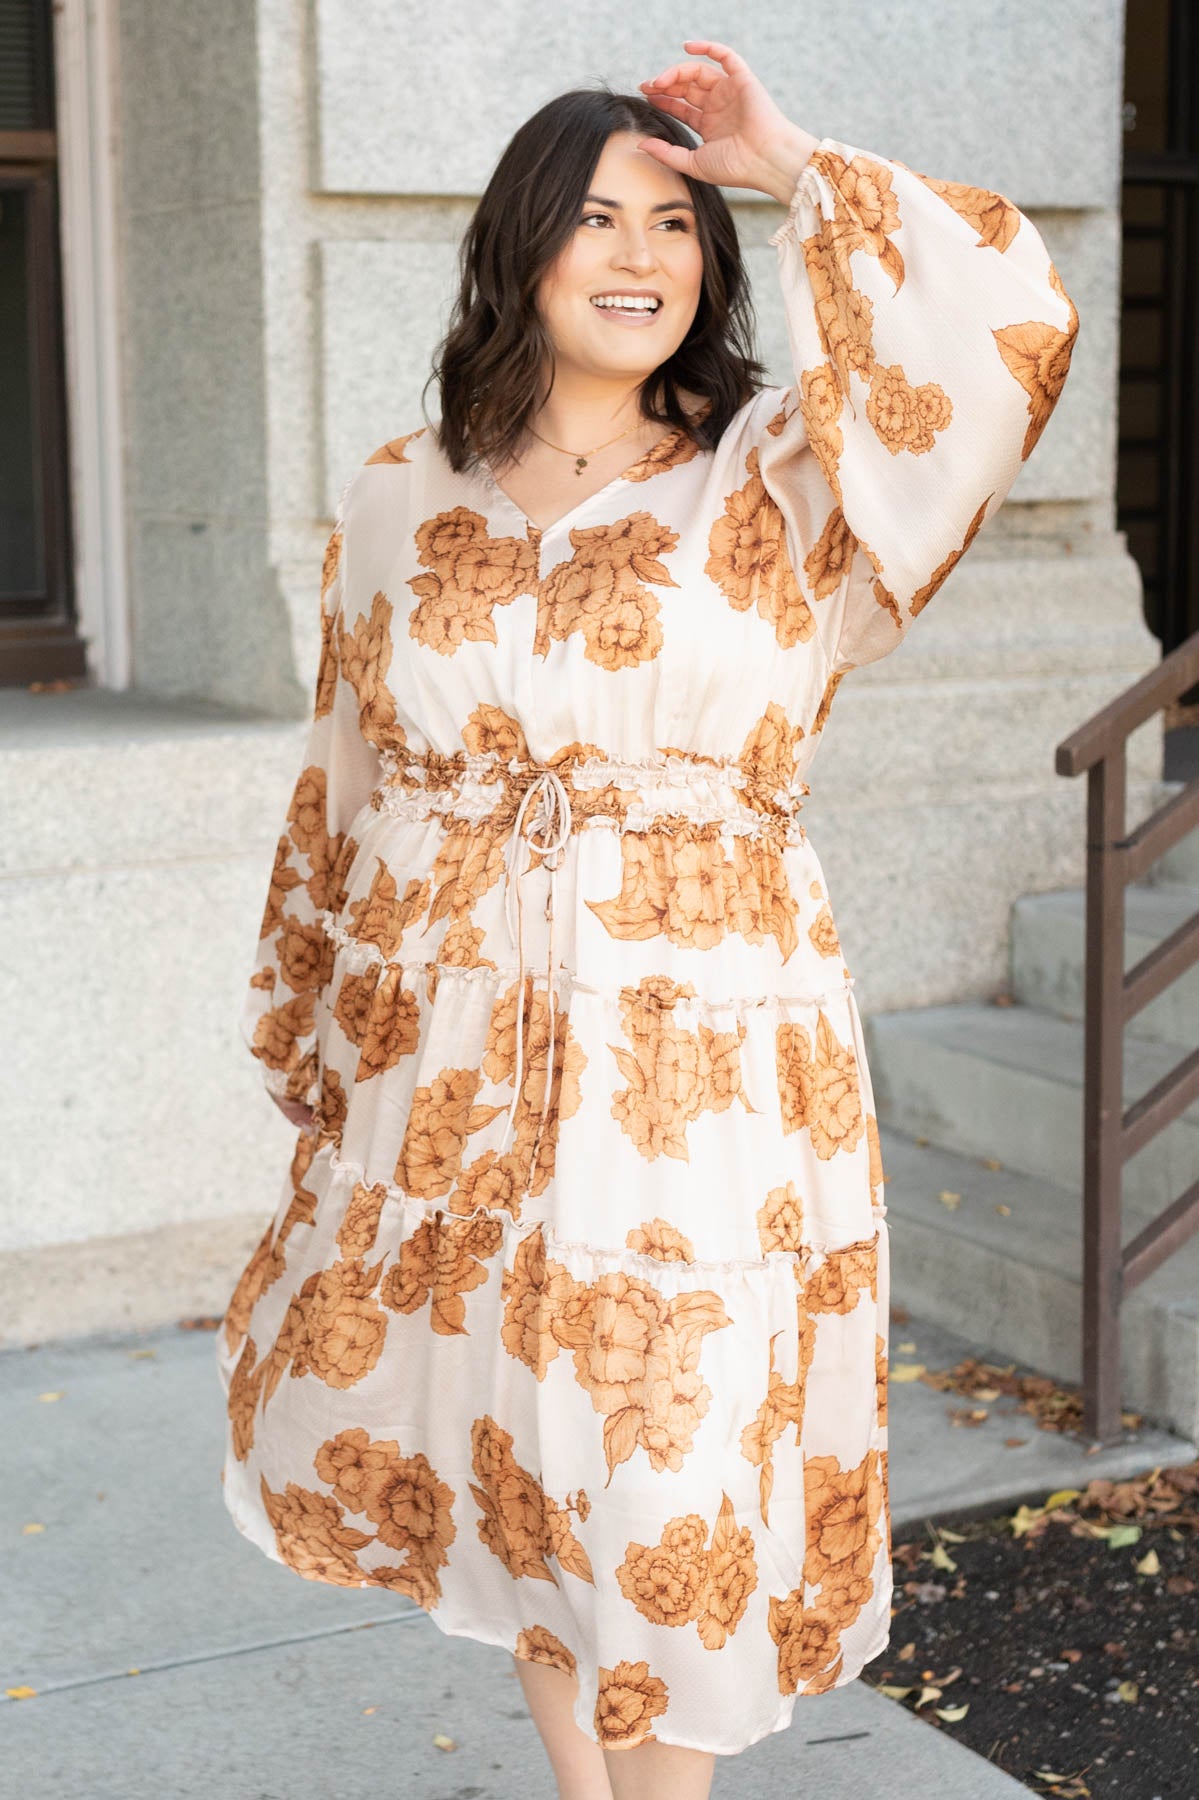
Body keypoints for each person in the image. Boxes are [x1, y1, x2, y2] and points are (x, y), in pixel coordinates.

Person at [215, 38, 1078, 1800]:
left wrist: (783, 155)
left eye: (677, 222)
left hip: (699, 1067)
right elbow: (342, 786)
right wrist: (322, 1051)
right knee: (517, 1458)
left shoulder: (787, 479)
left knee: (666, 1475)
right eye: (597, 215)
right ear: (518, 250)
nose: (640, 252)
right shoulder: (393, 498)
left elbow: (1005, 319)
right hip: (451, 1070)